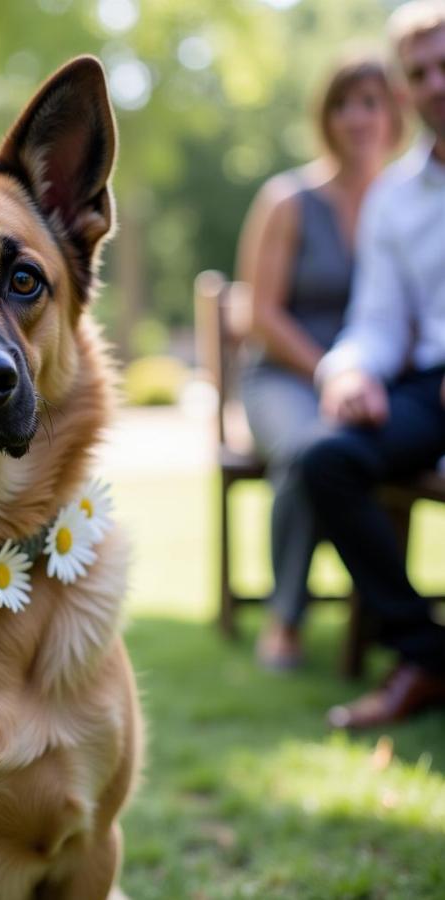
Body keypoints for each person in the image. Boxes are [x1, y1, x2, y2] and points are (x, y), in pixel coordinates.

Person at [302, 0, 445, 728]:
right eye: (420, 73)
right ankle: (426, 656)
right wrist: (348, 371)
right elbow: (379, 321)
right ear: (406, 89)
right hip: (429, 388)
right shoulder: (395, 197)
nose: (437, 84)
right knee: (326, 460)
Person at [236, 55, 402, 669]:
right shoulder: (288, 201)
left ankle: (385, 615)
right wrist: (332, 372)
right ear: (325, 117)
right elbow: (261, 315)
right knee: (311, 452)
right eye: (343, 103)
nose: (358, 117)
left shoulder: (407, 203)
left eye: (372, 102)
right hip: (284, 376)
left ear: (396, 112)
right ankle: (285, 618)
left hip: (373, 383)